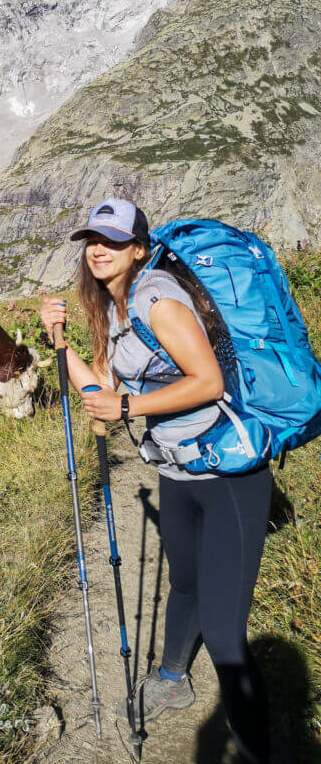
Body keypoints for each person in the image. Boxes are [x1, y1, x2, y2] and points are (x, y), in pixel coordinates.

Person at [40, 197, 272, 764]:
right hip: (175, 470)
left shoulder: (157, 297)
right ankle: (173, 678)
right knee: (186, 582)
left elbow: (209, 381)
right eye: (92, 239)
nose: (99, 249)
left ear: (139, 249)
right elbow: (100, 395)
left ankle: (261, 748)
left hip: (229, 475)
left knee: (223, 633)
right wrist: (61, 344)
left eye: (114, 241)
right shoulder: (114, 310)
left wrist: (129, 407)